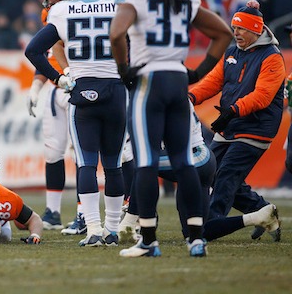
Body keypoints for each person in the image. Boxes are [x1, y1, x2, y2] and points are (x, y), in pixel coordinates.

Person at [109, 0, 233, 257]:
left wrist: (124, 69)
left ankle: (149, 240)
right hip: (177, 79)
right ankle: (196, 238)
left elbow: (116, 33)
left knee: (146, 161)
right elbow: (223, 33)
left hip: (148, 79)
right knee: (184, 162)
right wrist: (198, 72)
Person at [26, 0, 126, 247]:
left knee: (86, 164)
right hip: (116, 89)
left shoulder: (60, 10)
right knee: (114, 165)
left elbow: (33, 50)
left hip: (82, 88)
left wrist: (59, 78)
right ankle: (112, 229)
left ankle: (93, 229)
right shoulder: (119, 7)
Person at [188, 0, 284, 242]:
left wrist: (232, 111)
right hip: (230, 125)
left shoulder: (272, 57)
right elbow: (213, 82)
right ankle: (262, 211)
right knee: (208, 171)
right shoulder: (231, 52)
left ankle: (211, 225)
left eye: (241, 28)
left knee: (226, 175)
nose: (236, 33)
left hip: (256, 129)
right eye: (234, 27)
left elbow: (262, 96)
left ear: (255, 29)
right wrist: (190, 96)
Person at [119, 101, 281, 243]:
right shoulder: (167, 91)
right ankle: (259, 217)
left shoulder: (162, 95)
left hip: (195, 158)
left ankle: (130, 222)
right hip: (198, 162)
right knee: (196, 232)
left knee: (145, 164)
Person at [25, 0, 83, 232]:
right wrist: (37, 87)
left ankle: (85, 213)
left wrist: (67, 73)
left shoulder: (82, 14)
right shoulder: (53, 14)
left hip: (79, 86)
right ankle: (53, 211)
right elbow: (46, 54)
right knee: (53, 151)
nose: (49, 2)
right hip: (58, 88)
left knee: (82, 153)